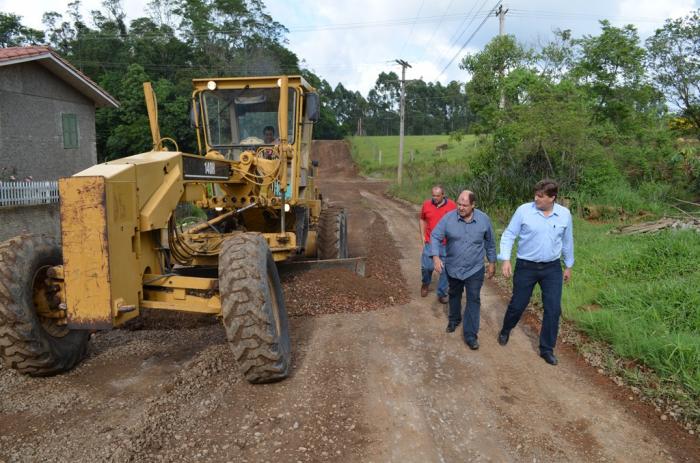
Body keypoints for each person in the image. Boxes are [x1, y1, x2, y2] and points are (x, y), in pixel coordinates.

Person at [497, 179, 574, 366]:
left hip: (552, 268)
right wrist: (506, 259)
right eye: (536, 195)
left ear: (552, 198)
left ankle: (546, 349)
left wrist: (569, 265)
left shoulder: (564, 214)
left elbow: (567, 241)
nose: (536, 199)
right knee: (518, 304)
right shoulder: (524, 211)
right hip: (526, 267)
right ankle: (506, 329)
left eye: (541, 196)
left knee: (553, 309)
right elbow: (509, 235)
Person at [431, 190, 496, 350]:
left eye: (464, 205)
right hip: (453, 267)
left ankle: (470, 335)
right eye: (459, 204)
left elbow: (490, 242)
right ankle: (454, 319)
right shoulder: (448, 218)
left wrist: (492, 262)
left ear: (473, 205)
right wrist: (436, 257)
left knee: (473, 299)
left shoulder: (483, 220)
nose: (460, 207)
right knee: (454, 294)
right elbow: (435, 236)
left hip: (475, 269)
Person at [419, 185, 456, 303]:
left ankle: (442, 293)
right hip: (430, 241)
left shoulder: (452, 206)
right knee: (427, 267)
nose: (435, 198)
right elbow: (422, 219)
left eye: (437, 196)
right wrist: (423, 236)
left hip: (446, 243)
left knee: (445, 270)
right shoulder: (426, 205)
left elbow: (457, 221)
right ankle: (425, 283)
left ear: (443, 195)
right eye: (433, 195)